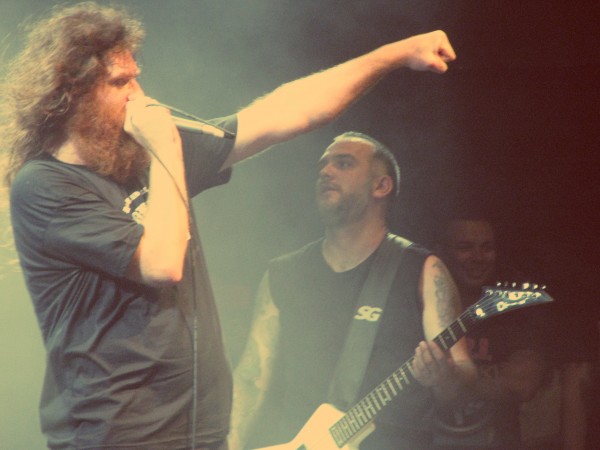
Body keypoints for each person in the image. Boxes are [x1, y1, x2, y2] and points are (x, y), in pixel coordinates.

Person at [0, 2, 460, 450]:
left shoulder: (142, 158)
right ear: (75, 93)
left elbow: (289, 112)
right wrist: (166, 147)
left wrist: (394, 54)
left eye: (137, 77)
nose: (138, 95)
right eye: (120, 82)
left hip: (199, 431)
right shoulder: (44, 186)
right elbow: (162, 264)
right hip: (117, 437)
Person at [230, 132, 477, 450]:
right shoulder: (283, 273)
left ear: (381, 186)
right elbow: (252, 378)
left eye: (344, 164)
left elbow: (464, 378)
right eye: (323, 165)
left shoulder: (423, 270)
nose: (326, 171)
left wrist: (443, 377)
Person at [433, 216, 557, 449]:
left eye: (487, 248)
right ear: (441, 253)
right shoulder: (420, 299)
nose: (478, 257)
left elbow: (523, 382)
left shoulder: (516, 300)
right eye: (465, 247)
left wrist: (451, 379)